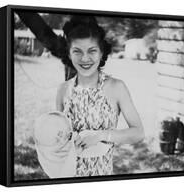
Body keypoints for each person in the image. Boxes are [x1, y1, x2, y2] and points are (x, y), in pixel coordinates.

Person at [56, 16, 144, 176]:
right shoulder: (63, 90)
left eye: (92, 51)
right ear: (68, 54)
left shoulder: (116, 87)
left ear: (101, 52)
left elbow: (138, 132)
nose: (85, 59)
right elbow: (59, 136)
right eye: (77, 51)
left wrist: (101, 135)